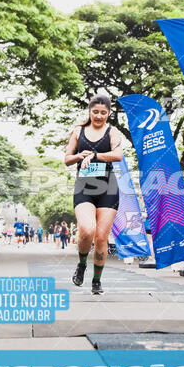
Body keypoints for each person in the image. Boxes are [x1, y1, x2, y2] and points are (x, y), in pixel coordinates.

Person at [65, 93, 123, 295]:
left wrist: (95, 155)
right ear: (89, 111)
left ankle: (96, 280)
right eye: (95, 112)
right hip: (84, 187)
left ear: (109, 113)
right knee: (87, 230)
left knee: (100, 238)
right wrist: (77, 157)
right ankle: (82, 264)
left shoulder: (112, 131)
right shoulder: (78, 131)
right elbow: (66, 158)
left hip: (108, 188)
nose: (99, 116)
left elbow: (118, 155)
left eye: (103, 113)